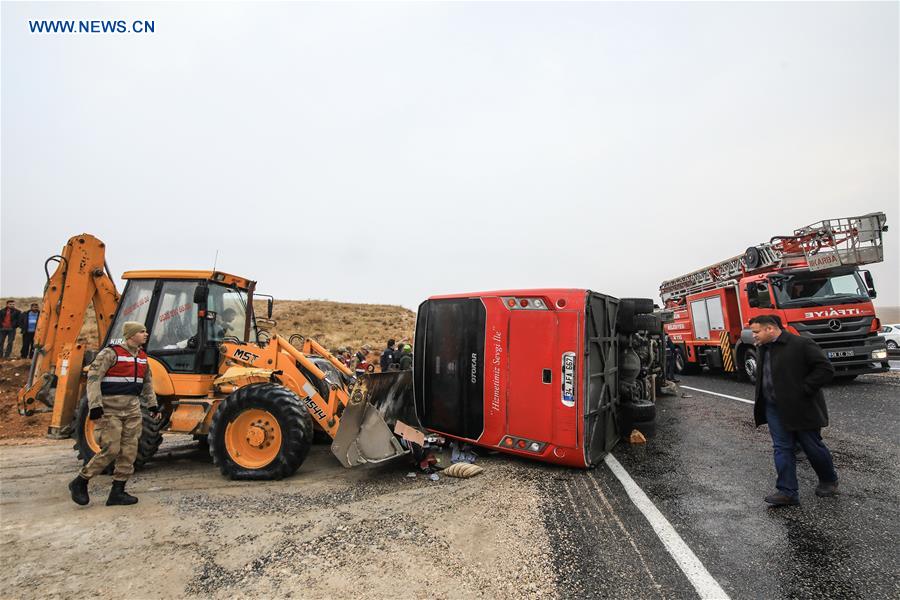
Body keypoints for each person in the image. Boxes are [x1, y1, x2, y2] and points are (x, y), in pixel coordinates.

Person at [68, 321, 161, 507]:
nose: (146, 334)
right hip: (111, 409)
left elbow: (147, 383)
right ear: (131, 335)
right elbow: (93, 379)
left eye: (145, 330)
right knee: (111, 449)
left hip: (133, 409)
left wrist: (152, 406)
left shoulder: (142, 357)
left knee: (129, 451)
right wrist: (95, 406)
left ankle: (117, 491)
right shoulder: (110, 354)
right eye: (141, 331)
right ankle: (80, 481)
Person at [750, 314, 837, 506]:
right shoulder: (763, 348)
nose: (753, 336)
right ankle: (787, 491)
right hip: (774, 407)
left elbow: (825, 369)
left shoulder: (801, 344)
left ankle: (829, 480)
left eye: (756, 332)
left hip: (801, 407)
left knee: (811, 446)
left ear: (770, 329)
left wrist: (804, 390)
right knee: (782, 448)